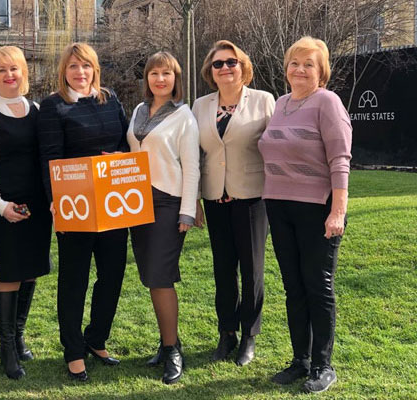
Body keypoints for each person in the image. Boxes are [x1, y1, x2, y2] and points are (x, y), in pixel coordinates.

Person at [258, 36, 352, 393]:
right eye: (294, 63)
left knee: (318, 286)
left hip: (317, 209)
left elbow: (340, 160)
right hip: (278, 206)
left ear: (321, 71)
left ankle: (323, 366)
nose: (299, 70)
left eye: (308, 64)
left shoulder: (327, 102)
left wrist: (338, 212)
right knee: (293, 287)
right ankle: (300, 360)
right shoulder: (281, 104)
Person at [37, 42, 129, 382]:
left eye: (86, 66)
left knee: (112, 274)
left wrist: (118, 158)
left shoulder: (110, 99)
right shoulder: (53, 105)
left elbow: (124, 144)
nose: (80, 72)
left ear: (95, 69)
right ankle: (74, 351)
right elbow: (50, 156)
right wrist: (55, 200)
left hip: (113, 203)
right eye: (73, 66)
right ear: (64, 71)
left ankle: (96, 339)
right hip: (74, 204)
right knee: (74, 279)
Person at [192, 40, 275, 366]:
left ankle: (249, 336)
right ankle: (227, 333)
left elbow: (278, 148)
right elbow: (194, 155)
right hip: (215, 196)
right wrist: (195, 199)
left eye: (231, 62)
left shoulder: (263, 101)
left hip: (252, 197)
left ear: (243, 67)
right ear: (210, 71)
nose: (225, 68)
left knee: (252, 270)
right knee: (223, 269)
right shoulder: (200, 105)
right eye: (218, 64)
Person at [0, 46, 52, 380]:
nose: (9, 75)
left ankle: (19, 336)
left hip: (37, 206)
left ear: (24, 72)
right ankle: (6, 347)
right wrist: (0, 206)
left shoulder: (36, 109)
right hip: (6, 206)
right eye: (1, 70)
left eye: (14, 69)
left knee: (31, 272)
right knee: (9, 275)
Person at [127, 52, 200, 384]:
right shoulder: (139, 111)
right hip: (137, 203)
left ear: (175, 78)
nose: (160, 79)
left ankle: (173, 351)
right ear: (147, 78)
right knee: (150, 276)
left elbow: (192, 167)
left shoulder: (184, 115)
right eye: (154, 73)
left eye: (166, 73)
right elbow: (136, 152)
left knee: (161, 276)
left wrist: (187, 212)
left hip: (168, 204)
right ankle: (168, 341)